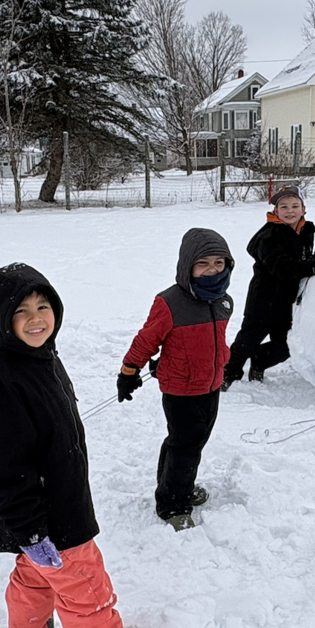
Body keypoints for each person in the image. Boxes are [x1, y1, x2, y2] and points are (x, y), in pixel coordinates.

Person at [0, 263, 142, 628]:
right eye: (21, 311)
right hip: (49, 515)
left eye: (42, 306)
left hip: (54, 503)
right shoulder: (1, 382)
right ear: (0, 320)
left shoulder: (42, 358)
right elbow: (5, 466)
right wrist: (29, 529)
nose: (36, 319)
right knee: (84, 583)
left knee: (35, 576)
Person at [116, 228, 234, 531]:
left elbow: (216, 339)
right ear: (188, 266)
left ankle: (173, 483)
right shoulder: (169, 302)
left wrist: (224, 361)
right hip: (181, 388)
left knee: (190, 441)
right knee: (186, 445)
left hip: (211, 384)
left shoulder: (224, 301)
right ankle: (172, 503)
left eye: (218, 263)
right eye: (203, 264)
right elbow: (146, 340)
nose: (212, 270)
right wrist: (129, 371)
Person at [222, 185, 315, 390]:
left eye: (295, 205)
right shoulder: (270, 236)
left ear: (304, 209)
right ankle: (229, 372)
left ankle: (260, 360)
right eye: (283, 206)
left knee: (285, 347)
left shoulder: (306, 230)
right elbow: (285, 269)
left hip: (288, 302)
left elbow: (302, 259)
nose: (289, 210)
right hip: (263, 301)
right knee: (246, 343)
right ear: (275, 211)